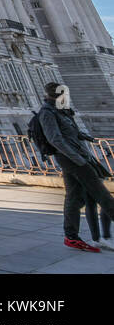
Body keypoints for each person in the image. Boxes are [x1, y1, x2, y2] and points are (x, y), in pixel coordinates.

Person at [35, 82, 114, 253]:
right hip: (72, 159)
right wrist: (78, 159)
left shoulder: (60, 111)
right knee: (103, 195)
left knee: (73, 197)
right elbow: (55, 139)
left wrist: (87, 137)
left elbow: (71, 131)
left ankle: (71, 236)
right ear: (56, 95)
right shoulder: (47, 113)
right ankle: (77, 236)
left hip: (77, 157)